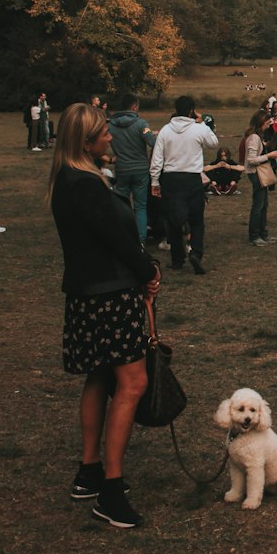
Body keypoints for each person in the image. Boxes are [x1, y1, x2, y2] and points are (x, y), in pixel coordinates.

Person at [49, 103, 161, 529]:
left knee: (99, 375)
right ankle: (110, 493)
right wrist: (149, 271)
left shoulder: (66, 178)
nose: (111, 137)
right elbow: (117, 240)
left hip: (86, 294)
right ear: (86, 142)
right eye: (104, 134)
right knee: (132, 383)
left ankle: (90, 470)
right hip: (109, 296)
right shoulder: (86, 185)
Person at [149, 95, 218, 275]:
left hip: (171, 179)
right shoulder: (198, 129)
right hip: (192, 178)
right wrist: (202, 123)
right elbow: (213, 143)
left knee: (173, 221)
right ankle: (195, 252)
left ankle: (177, 259)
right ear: (191, 111)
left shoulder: (165, 130)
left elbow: (157, 158)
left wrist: (155, 181)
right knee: (196, 220)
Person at [107, 93, 157, 241]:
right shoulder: (141, 124)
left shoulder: (111, 125)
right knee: (140, 207)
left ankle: (123, 237)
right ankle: (140, 240)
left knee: (122, 205)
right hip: (140, 170)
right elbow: (153, 143)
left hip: (121, 168)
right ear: (134, 106)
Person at [242, 109, 277, 247]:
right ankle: (255, 236)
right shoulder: (254, 138)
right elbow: (251, 159)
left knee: (263, 205)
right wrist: (269, 156)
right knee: (258, 205)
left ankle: (263, 233)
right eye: (267, 123)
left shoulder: (257, 136)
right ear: (261, 122)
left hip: (259, 173)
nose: (269, 125)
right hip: (256, 174)